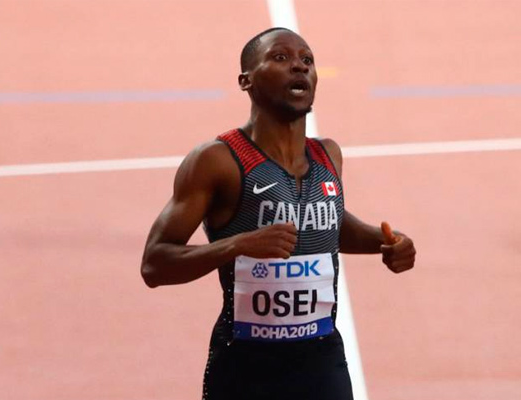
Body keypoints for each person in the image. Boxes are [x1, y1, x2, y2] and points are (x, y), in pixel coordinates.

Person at [140, 27, 416, 400]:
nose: (299, 68)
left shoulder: (327, 155)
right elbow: (155, 265)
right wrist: (239, 244)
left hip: (322, 361)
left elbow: (329, 224)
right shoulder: (216, 160)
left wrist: (385, 242)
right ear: (246, 80)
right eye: (281, 58)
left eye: (307, 60)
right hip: (246, 365)